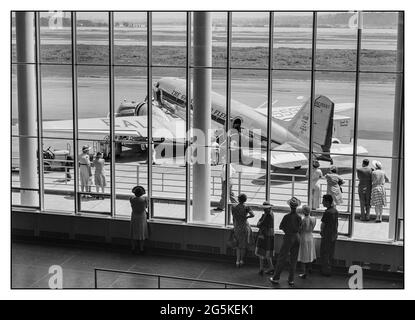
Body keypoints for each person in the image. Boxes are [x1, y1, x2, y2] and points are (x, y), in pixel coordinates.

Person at [270, 197, 302, 287]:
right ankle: (291, 279)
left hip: (289, 237)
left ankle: (276, 278)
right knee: (294, 259)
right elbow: (300, 227)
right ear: (297, 207)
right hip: (297, 237)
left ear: (290, 206)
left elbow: (281, 227)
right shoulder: (299, 217)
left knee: (282, 257)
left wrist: (287, 231)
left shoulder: (286, 216)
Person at [232, 194, 255, 268]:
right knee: (243, 245)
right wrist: (246, 217)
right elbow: (253, 215)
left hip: (237, 227)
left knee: (238, 246)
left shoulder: (234, 207)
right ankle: (242, 260)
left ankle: (237, 261)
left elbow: (234, 218)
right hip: (244, 227)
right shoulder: (247, 207)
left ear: (238, 199)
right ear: (245, 199)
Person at [320, 194, 339, 277]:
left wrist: (321, 231)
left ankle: (325, 271)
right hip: (333, 235)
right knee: (331, 253)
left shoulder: (327, 212)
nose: (322, 202)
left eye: (323, 201)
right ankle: (329, 269)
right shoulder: (335, 211)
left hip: (327, 235)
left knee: (324, 253)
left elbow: (323, 224)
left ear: (327, 202)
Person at [255, 201, 275, 276]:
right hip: (270, 234)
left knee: (261, 251)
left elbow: (259, 224)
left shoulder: (266, 216)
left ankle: (261, 268)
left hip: (264, 235)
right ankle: (271, 267)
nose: (264, 210)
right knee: (267, 252)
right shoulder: (271, 214)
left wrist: (260, 222)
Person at [298, 205, 316, 279]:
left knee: (303, 254)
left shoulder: (303, 220)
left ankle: (304, 272)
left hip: (303, 237)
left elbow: (300, 229)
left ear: (303, 211)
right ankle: (310, 268)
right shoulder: (314, 219)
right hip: (310, 237)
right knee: (309, 253)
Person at [130, 186, 149, 254]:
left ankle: (133, 248)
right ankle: (141, 248)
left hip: (134, 216)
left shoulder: (131, 199)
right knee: (142, 232)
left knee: (134, 232)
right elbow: (146, 206)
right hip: (141, 217)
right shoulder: (144, 200)